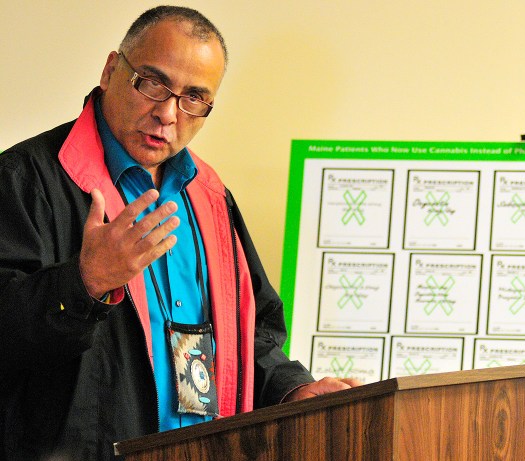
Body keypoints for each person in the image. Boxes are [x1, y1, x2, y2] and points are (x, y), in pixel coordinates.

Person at [0, 6, 358, 461]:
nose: (168, 113)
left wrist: (294, 390)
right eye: (152, 83)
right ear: (111, 70)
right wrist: (83, 283)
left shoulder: (210, 195)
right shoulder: (22, 180)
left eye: (194, 98)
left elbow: (254, 333)